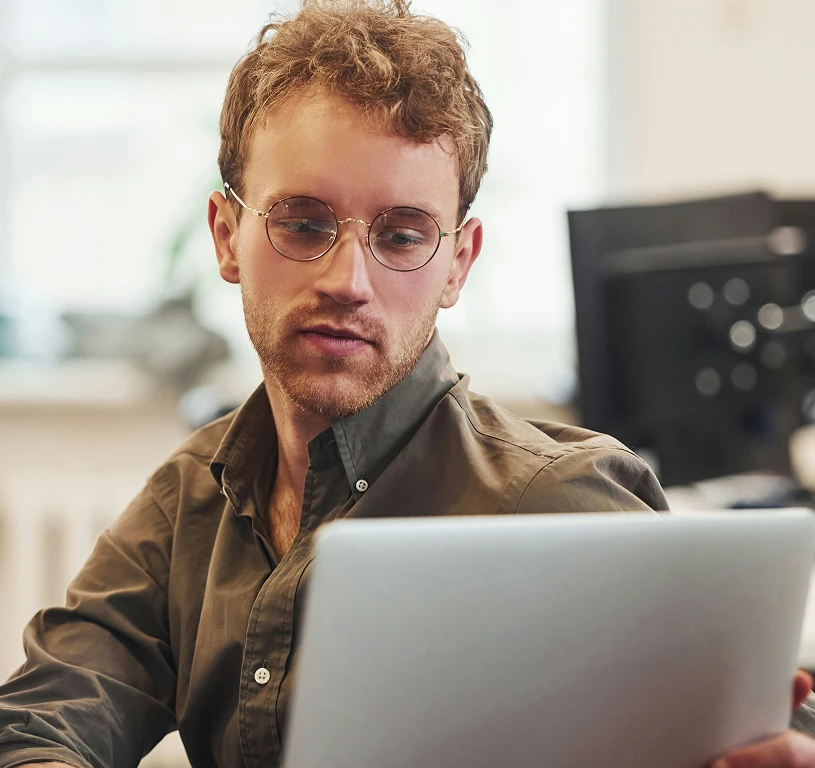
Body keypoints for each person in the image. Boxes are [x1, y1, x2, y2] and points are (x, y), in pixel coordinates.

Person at [0, 2, 811, 767]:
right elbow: (50, 706)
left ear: (458, 263)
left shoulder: (558, 504)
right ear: (226, 236)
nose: (348, 279)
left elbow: (748, 726)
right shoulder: (192, 499)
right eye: (304, 222)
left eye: (401, 235)